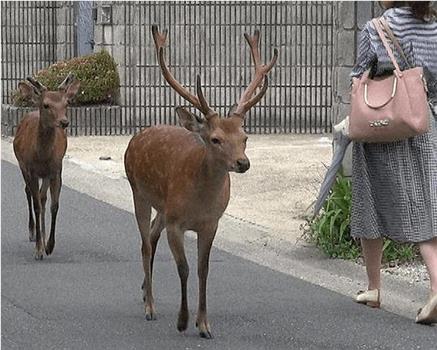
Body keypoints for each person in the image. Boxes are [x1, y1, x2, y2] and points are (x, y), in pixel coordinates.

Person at [350, 1, 437, 324]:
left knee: (369, 201)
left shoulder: (376, 28)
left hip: (378, 127)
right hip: (421, 124)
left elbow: (358, 76)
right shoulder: (433, 26)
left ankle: (374, 286)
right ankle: (433, 285)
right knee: (425, 206)